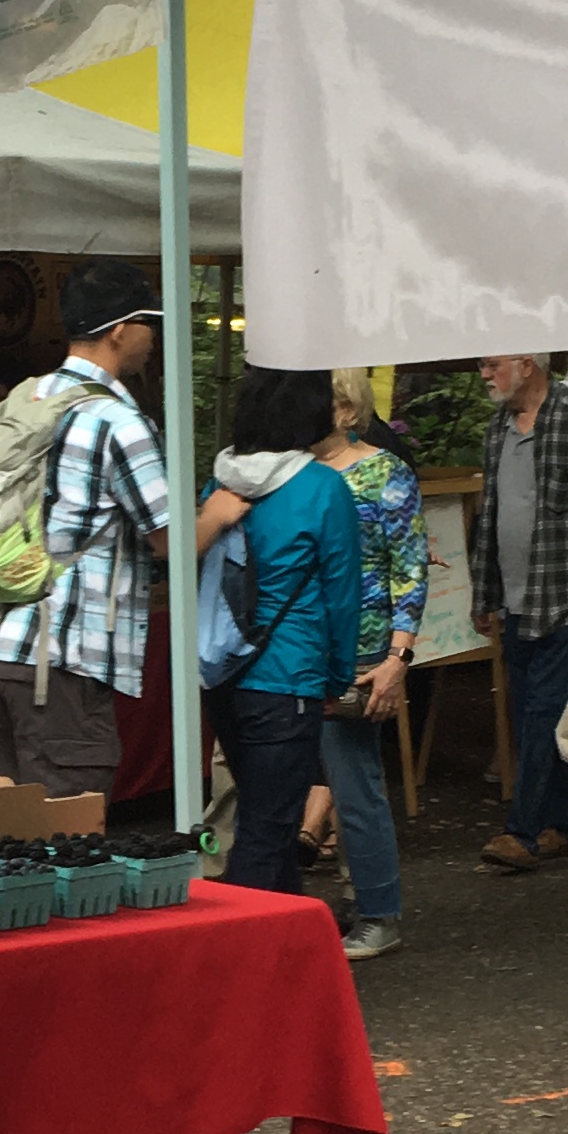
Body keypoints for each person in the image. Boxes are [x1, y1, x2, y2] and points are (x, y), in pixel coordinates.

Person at [0, 258, 169, 803]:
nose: (154, 337)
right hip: (60, 652)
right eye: (148, 323)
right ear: (120, 330)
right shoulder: (119, 421)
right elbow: (168, 538)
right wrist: (225, 509)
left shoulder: (26, 399)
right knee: (67, 823)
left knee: (14, 824)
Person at [194, 369, 362, 899]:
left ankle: (293, 930)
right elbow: (343, 594)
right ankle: (243, 941)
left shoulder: (220, 482)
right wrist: (338, 676)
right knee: (266, 831)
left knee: (270, 813)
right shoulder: (323, 487)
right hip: (289, 675)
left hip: (224, 672)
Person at [469, 348, 568, 875]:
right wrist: (484, 593)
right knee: (532, 717)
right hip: (518, 599)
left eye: (492, 364)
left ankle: (524, 831)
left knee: (541, 717)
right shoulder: (499, 427)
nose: (485, 374)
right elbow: (491, 515)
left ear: (527, 363)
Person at [288, 369, 424, 957]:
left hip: (359, 657)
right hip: (296, 649)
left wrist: (398, 657)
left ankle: (377, 912)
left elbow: (409, 569)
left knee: (353, 783)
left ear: (347, 410)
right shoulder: (292, 469)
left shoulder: (385, 473)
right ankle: (346, 903)